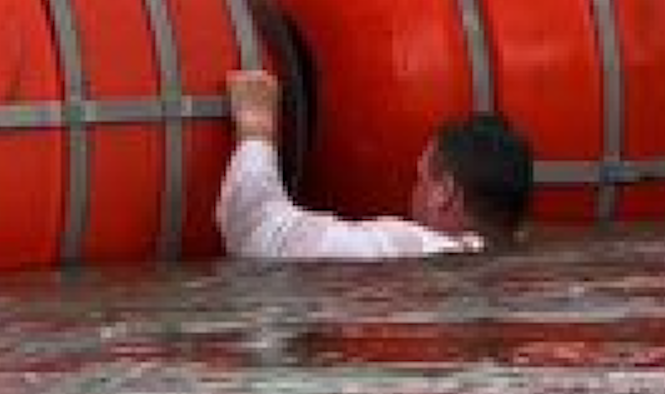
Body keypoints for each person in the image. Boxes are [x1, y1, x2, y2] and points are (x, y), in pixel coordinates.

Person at [217, 68, 533, 261]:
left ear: (445, 193)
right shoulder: (514, 260)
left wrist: (256, 127)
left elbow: (258, 233)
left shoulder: (414, 248)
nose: (414, 190)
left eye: (420, 178)